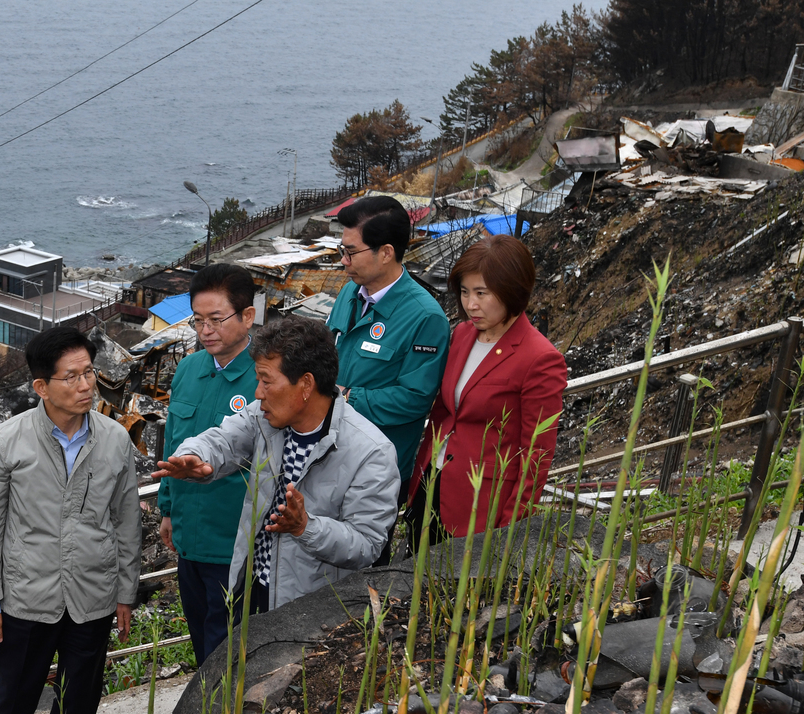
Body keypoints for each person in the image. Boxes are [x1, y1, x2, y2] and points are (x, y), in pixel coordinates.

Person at [0, 326, 142, 714]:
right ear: (42, 387)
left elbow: (127, 521)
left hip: (93, 590)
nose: (86, 385)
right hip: (27, 592)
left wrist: (126, 592)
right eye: (72, 377)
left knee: (82, 690)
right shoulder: (7, 442)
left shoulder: (113, 440)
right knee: (15, 693)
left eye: (89, 372)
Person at [152, 316, 400, 613]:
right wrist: (195, 455)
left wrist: (306, 527)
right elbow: (223, 439)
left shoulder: (371, 452)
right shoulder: (265, 417)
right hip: (252, 589)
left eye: (266, 381)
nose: (257, 393)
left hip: (312, 608)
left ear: (306, 384)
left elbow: (366, 544)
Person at [409, 235, 567, 538]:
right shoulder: (463, 334)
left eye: (482, 293)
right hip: (430, 487)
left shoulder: (540, 357)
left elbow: (536, 454)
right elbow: (444, 413)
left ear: (511, 291)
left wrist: (510, 526)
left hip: (480, 505)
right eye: (465, 292)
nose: (471, 304)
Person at [158, 263, 258, 664]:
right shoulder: (189, 368)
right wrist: (167, 509)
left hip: (234, 539)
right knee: (201, 637)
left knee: (229, 648)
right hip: (189, 536)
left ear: (248, 316)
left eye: (217, 319)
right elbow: (170, 443)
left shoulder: (263, 377)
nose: (206, 330)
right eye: (198, 321)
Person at [325, 195, 451, 493]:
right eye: (342, 250)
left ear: (386, 253)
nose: (344, 261)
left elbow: (415, 399)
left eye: (351, 252)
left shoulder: (425, 317)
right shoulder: (349, 294)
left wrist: (345, 398)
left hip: (375, 473)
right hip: (330, 456)